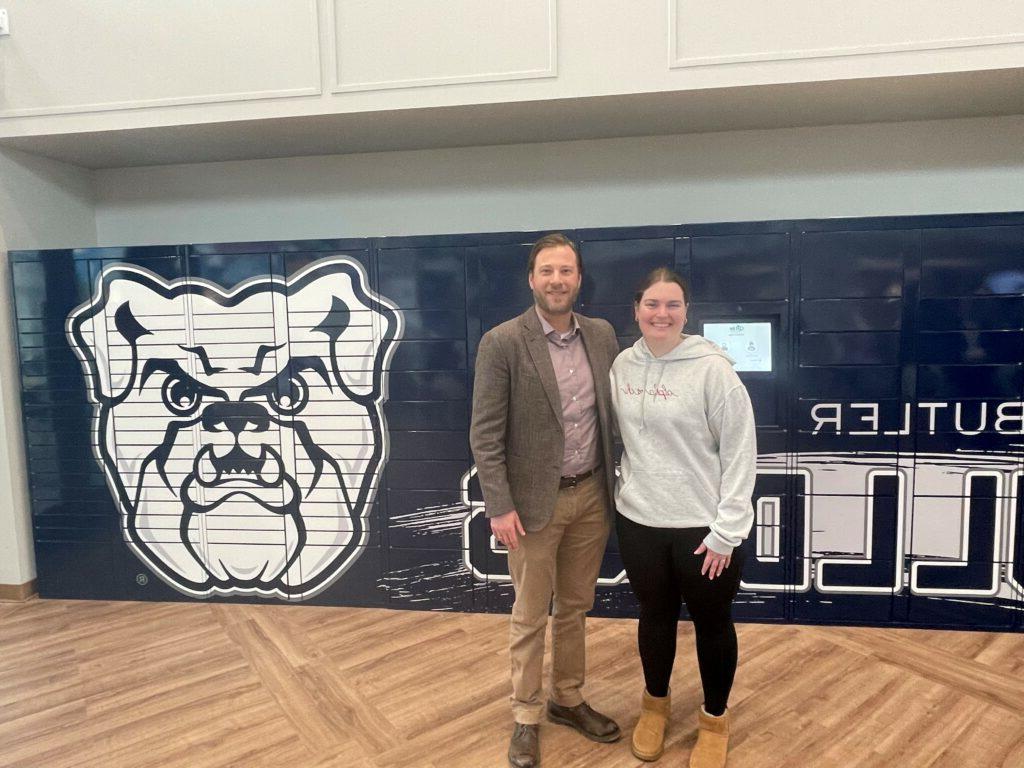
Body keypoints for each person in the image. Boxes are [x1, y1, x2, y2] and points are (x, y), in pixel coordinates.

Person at [470, 233, 622, 768]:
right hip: (533, 506)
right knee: (530, 613)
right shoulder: (503, 342)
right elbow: (485, 434)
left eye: (566, 271)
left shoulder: (602, 336)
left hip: (592, 496)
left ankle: (568, 698)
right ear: (531, 279)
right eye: (547, 271)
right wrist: (499, 504)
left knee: (576, 608)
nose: (557, 280)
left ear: (579, 279)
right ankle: (526, 715)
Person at [610, 267, 756, 768]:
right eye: (652, 304)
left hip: (703, 531)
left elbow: (741, 454)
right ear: (636, 310)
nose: (662, 314)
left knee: (713, 624)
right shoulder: (621, 368)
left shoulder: (714, 371)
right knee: (654, 618)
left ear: (686, 313)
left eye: (672, 305)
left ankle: (714, 720)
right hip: (641, 522)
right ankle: (655, 707)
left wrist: (727, 532)